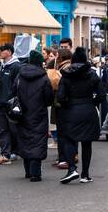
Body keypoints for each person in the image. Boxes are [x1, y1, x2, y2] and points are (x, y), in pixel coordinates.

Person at [56, 47, 105, 184]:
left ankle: (72, 168)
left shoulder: (66, 74)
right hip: (89, 110)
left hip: (71, 110)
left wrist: (67, 104)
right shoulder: (92, 74)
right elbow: (102, 95)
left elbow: (60, 97)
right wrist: (92, 102)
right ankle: (85, 175)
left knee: (69, 139)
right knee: (87, 142)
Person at [13, 50, 54, 182]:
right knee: (38, 140)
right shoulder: (43, 77)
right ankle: (35, 173)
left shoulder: (20, 75)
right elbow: (49, 99)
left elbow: (13, 91)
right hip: (38, 114)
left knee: (25, 139)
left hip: (22, 113)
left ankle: (28, 172)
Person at [0, 43, 21, 165]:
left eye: (2, 50)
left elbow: (18, 85)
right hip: (0, 102)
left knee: (14, 129)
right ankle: (5, 154)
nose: (0, 52)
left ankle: (15, 151)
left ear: (9, 51)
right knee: (1, 129)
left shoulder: (16, 66)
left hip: (12, 104)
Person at [52, 49, 72, 169]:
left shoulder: (66, 68)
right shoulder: (61, 66)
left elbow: (61, 85)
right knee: (62, 132)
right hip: (62, 103)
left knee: (63, 132)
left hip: (63, 103)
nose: (56, 57)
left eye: (58, 55)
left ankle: (65, 158)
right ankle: (62, 157)